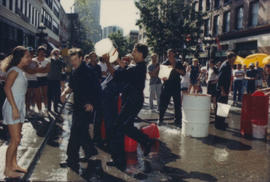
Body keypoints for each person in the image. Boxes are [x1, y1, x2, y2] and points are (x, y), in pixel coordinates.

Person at [103, 43, 155, 169]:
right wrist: (115, 58)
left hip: (133, 101)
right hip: (132, 100)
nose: (132, 52)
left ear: (140, 53)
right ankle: (145, 140)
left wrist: (108, 63)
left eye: (134, 50)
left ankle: (119, 160)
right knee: (125, 127)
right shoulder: (139, 66)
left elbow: (117, 74)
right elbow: (125, 68)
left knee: (118, 127)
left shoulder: (138, 68)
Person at [60, 48, 101, 171]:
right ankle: (91, 152)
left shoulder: (88, 71)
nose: (73, 62)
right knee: (81, 131)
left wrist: (92, 104)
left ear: (81, 58)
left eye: (76, 59)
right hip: (77, 105)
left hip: (86, 107)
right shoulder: (75, 71)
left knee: (75, 132)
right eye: (71, 60)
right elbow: (71, 86)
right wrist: (64, 93)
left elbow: (97, 90)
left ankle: (71, 159)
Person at [2, 46, 31, 178]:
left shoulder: (20, 70)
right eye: (27, 56)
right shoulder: (14, 71)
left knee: (17, 139)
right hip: (12, 106)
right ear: (20, 57)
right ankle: (7, 170)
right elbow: (7, 89)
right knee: (15, 139)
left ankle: (14, 165)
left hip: (19, 106)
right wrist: (14, 108)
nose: (29, 58)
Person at [159, 49, 186, 127]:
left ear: (173, 54)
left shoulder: (178, 63)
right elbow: (161, 76)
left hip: (176, 86)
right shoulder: (164, 63)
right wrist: (162, 78)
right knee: (163, 103)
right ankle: (160, 119)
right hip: (167, 86)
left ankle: (178, 121)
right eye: (168, 54)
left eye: (170, 53)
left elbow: (184, 73)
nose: (168, 55)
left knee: (177, 104)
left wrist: (175, 68)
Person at [215, 51, 236, 130]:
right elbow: (220, 80)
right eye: (233, 59)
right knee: (220, 106)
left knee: (224, 106)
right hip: (221, 90)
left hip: (225, 89)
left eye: (234, 59)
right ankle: (218, 124)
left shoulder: (229, 65)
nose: (233, 61)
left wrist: (229, 88)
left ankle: (222, 122)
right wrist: (223, 91)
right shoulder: (225, 66)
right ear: (228, 58)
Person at [47, 48, 66, 113]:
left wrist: (58, 58)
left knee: (56, 95)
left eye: (57, 52)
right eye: (55, 52)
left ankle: (55, 109)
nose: (56, 53)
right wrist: (52, 56)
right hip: (49, 79)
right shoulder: (49, 59)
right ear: (52, 53)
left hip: (57, 80)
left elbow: (64, 66)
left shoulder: (60, 60)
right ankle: (49, 109)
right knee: (49, 95)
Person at [34, 46, 50, 115]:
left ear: (44, 53)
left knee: (45, 95)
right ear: (37, 52)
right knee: (38, 96)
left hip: (44, 78)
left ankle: (46, 110)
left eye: (43, 52)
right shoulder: (33, 60)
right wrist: (43, 69)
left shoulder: (47, 61)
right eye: (40, 52)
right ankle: (40, 111)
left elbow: (47, 70)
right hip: (36, 78)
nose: (41, 54)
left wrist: (38, 69)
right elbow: (33, 70)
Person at [24, 48, 39, 116]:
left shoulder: (35, 62)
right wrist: (34, 70)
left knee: (34, 95)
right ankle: (27, 110)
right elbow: (28, 71)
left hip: (34, 80)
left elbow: (38, 70)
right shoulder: (25, 62)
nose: (31, 55)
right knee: (28, 96)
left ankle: (32, 109)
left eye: (32, 54)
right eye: (30, 53)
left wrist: (34, 70)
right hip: (27, 80)